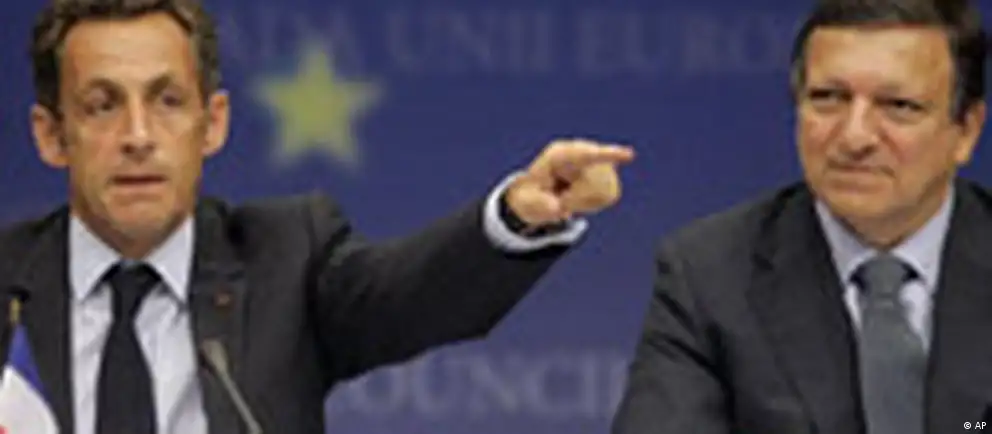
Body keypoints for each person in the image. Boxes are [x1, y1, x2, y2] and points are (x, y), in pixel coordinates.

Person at [0, 0, 635, 433]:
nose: (138, 137)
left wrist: (517, 216)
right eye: (102, 105)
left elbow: (412, 295)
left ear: (212, 124)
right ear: (51, 135)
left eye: (167, 101)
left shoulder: (285, 257)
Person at [611, 0, 990, 433]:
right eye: (828, 98)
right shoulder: (710, 276)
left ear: (967, 130)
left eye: (898, 106)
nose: (855, 137)